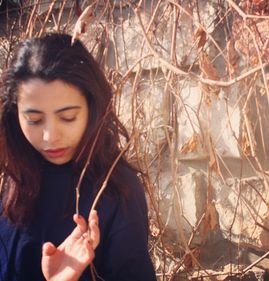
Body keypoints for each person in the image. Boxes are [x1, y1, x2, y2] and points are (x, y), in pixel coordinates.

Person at [0, 33, 157, 281]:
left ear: (92, 109)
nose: (50, 137)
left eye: (68, 117)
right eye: (34, 120)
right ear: (14, 114)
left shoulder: (116, 190)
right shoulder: (9, 177)